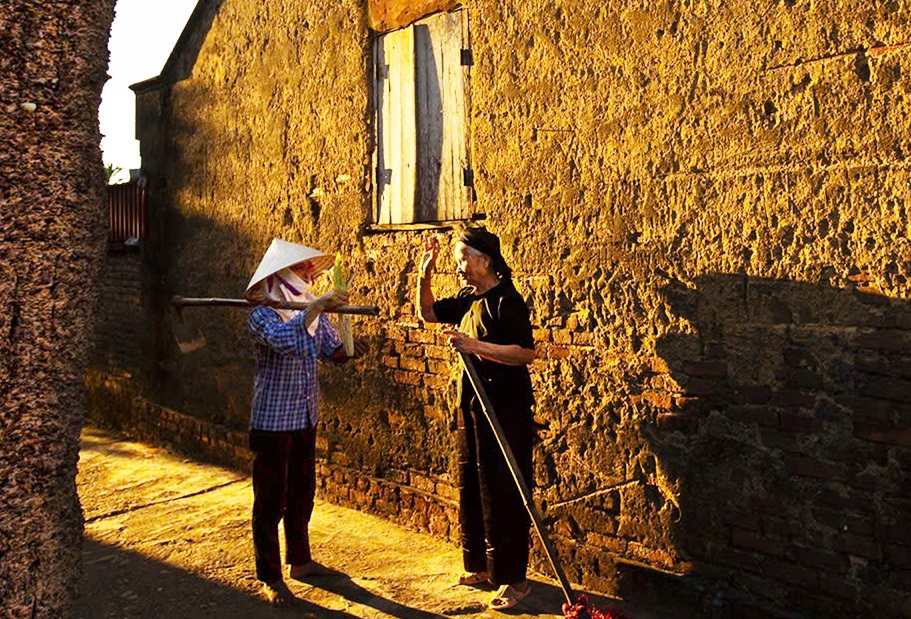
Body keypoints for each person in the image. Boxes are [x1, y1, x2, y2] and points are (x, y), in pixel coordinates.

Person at [416, 228, 537, 611]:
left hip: (505, 408)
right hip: (471, 405)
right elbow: (429, 313)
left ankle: (514, 579)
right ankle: (481, 566)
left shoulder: (507, 302)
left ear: (485, 260)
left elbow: (524, 353)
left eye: (463, 258)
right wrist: (424, 274)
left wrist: (474, 346)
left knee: (504, 490)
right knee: (472, 483)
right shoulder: (470, 299)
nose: (459, 265)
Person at [244, 238, 365, 606]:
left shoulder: (314, 312)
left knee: (301, 491)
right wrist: (314, 308)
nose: (308, 275)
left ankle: (301, 560)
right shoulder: (262, 315)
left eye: (308, 270)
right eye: (301, 269)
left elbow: (331, 350)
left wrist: (349, 348)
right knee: (270, 500)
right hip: (272, 421)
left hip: (305, 415)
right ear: (280, 275)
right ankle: (270, 576)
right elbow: (285, 341)